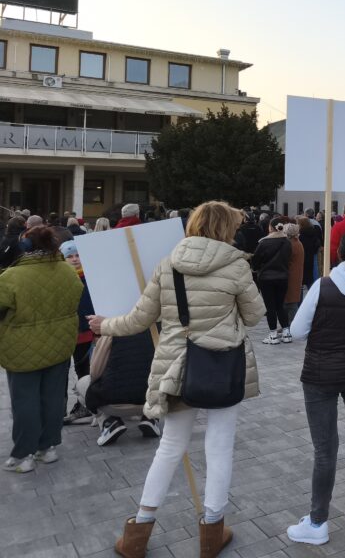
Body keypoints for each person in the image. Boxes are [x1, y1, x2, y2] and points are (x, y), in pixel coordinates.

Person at [87, 201, 264, 558]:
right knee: (219, 447)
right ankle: (212, 531)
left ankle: (138, 532)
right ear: (225, 229)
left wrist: (104, 324)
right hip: (222, 365)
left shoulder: (167, 265)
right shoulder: (235, 266)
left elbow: (138, 319)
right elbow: (256, 315)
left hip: (176, 367)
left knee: (170, 447)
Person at [286, 230, 345, 545]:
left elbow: (297, 330)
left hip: (321, 375)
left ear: (339, 253)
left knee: (325, 450)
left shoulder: (323, 286)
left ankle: (317, 523)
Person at [0, 226, 83, 473]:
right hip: (59, 346)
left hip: (21, 349)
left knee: (25, 401)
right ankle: (47, 448)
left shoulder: (10, 278)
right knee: (53, 398)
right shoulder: (68, 272)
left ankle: (23, 454)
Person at [60, 241, 97, 426]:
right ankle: (59, 410)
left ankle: (86, 406)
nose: (74, 259)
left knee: (84, 370)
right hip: (64, 334)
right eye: (70, 256)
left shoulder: (91, 276)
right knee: (61, 372)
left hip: (86, 333)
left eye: (77, 255)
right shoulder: (59, 277)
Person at [251, 217, 294, 344]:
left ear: (271, 227)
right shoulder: (287, 242)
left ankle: (273, 334)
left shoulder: (264, 243)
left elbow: (255, 261)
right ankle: (286, 332)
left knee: (270, 306)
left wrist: (257, 268)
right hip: (283, 277)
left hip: (266, 278)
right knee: (280, 305)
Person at [283, 222, 305, 324]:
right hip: (297, 274)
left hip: (291, 275)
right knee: (292, 301)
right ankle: (289, 324)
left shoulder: (291, 244)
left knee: (290, 303)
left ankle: (292, 325)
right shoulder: (298, 243)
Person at [297, 216, 323, 292]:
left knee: (300, 286)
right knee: (312, 284)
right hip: (313, 259)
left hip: (303, 261)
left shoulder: (300, 236)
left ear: (301, 225)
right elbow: (317, 244)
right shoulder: (314, 232)